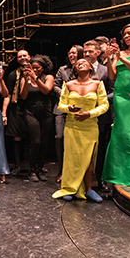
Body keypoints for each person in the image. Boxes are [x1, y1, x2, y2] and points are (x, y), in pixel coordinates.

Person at [52, 58, 108, 202]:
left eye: (84, 62)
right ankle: (70, 187)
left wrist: (89, 113)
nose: (80, 64)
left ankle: (89, 189)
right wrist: (69, 109)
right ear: (75, 69)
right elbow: (61, 105)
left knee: (89, 159)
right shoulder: (69, 84)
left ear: (90, 67)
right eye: (77, 64)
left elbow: (104, 105)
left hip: (90, 126)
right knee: (72, 158)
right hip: (72, 125)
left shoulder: (98, 84)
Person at [103, 23, 130, 187]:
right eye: (124, 34)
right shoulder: (120, 53)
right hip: (120, 97)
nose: (126, 36)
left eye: (129, 33)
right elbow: (112, 75)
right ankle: (117, 175)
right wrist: (111, 59)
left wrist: (121, 58)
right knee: (120, 134)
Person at [83, 40, 114, 191]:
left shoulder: (105, 69)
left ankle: (100, 180)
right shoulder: (78, 68)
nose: (87, 54)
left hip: (101, 116)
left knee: (100, 149)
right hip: (82, 118)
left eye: (90, 51)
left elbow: (114, 91)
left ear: (97, 53)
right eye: (85, 52)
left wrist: (98, 102)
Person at [20, 54, 54, 182]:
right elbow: (23, 96)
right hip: (31, 111)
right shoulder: (26, 78)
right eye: (32, 68)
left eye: (37, 68)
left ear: (42, 68)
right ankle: (32, 170)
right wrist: (25, 79)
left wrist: (36, 79)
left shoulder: (48, 77)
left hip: (46, 111)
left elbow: (46, 90)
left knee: (44, 142)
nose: (34, 70)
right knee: (36, 141)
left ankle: (40, 168)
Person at [53, 45, 82, 182]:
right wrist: (61, 92)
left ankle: (77, 172)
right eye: (70, 53)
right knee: (59, 137)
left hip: (79, 109)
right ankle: (61, 170)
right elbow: (55, 85)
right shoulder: (62, 70)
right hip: (62, 108)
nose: (72, 55)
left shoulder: (85, 69)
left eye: (74, 53)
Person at [4, 50, 31, 175]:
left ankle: (32, 165)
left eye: (24, 55)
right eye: (20, 56)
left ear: (29, 57)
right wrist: (4, 112)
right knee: (16, 137)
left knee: (32, 137)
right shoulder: (13, 74)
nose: (22, 58)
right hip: (17, 106)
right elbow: (8, 94)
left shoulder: (35, 71)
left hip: (32, 106)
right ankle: (17, 165)